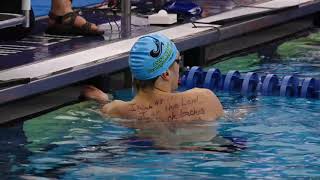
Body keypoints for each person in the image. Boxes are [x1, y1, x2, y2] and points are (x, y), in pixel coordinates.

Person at [83, 33, 223, 121]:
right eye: (178, 62)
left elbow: (104, 110)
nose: (180, 69)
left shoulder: (115, 110)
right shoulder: (205, 99)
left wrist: (102, 101)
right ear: (165, 74)